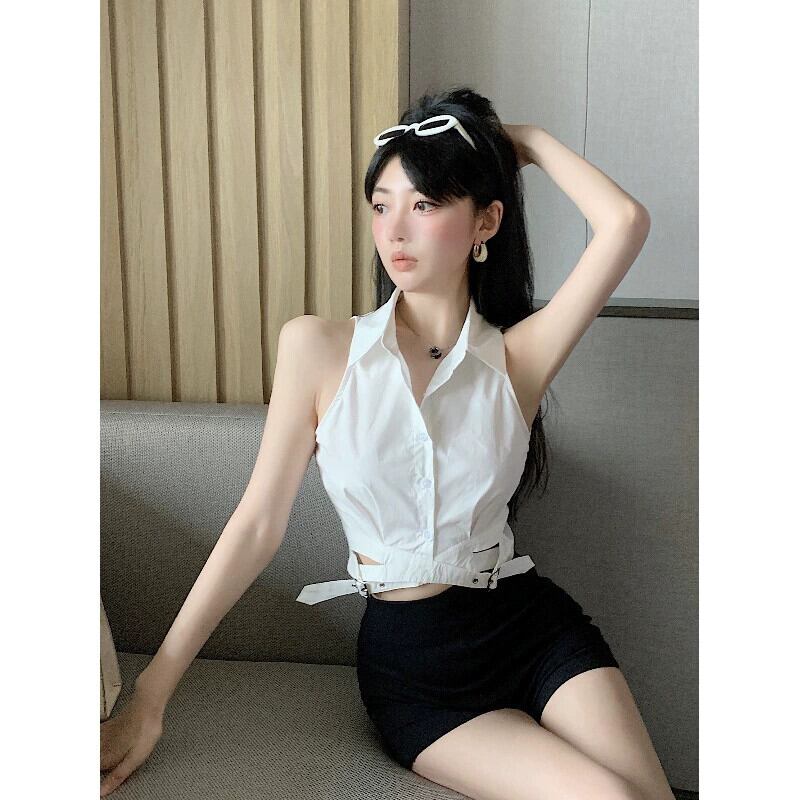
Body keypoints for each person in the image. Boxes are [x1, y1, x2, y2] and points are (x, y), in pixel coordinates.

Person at [101, 87, 672, 800]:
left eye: (424, 204)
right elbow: (255, 525)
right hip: (418, 670)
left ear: (486, 221)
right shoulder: (317, 348)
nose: (395, 229)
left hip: (531, 627)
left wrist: (518, 140)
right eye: (381, 204)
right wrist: (149, 697)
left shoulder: (516, 359)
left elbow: (624, 223)